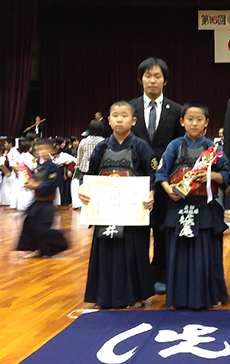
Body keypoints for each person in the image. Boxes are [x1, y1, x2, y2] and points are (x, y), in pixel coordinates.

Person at [80, 100, 156, 309]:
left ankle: (136, 296)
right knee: (106, 253)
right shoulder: (101, 147)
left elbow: (153, 174)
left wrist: (151, 193)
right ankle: (103, 296)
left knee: (132, 252)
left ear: (133, 121)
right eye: (115, 115)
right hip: (106, 211)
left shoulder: (141, 146)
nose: (119, 119)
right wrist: (82, 189)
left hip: (132, 212)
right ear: (109, 120)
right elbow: (87, 175)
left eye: (124, 115)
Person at [155, 101, 229, 309]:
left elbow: (227, 175)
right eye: (190, 119)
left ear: (206, 122)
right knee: (180, 254)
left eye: (199, 119)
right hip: (179, 207)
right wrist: (168, 190)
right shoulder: (174, 146)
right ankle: (178, 297)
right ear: (182, 121)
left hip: (205, 209)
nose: (194, 123)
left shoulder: (214, 149)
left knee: (206, 253)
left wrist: (214, 175)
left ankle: (209, 295)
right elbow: (161, 173)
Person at [130, 57, 185, 294]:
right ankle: (140, 276)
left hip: (165, 181)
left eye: (157, 76)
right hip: (135, 181)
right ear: (141, 79)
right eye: (147, 76)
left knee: (163, 228)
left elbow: (181, 147)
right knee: (138, 229)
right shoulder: (129, 109)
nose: (152, 80)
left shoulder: (177, 110)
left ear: (165, 81)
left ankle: (161, 272)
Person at [16, 138, 68, 258]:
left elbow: (52, 182)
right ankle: (36, 249)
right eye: (38, 150)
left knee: (43, 229)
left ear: (50, 150)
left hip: (47, 203)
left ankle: (60, 243)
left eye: (43, 149)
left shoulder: (53, 166)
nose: (40, 152)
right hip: (37, 201)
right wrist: (30, 182)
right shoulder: (42, 165)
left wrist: (38, 185)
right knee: (29, 223)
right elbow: (36, 179)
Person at [73, 120, 105, 209]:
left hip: (85, 171)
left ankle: (88, 217)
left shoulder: (83, 142)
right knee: (99, 195)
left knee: (86, 195)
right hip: (99, 171)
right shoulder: (104, 141)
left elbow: (79, 159)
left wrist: (77, 172)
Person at [15, 140, 37, 211]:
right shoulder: (31, 157)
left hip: (20, 175)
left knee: (21, 190)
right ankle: (27, 206)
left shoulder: (19, 156)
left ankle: (21, 206)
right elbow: (34, 166)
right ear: (30, 148)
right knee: (28, 190)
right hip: (28, 175)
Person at [0, 137, 20, 207]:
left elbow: (13, 164)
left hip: (12, 172)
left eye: (6, 143)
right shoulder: (11, 151)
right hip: (11, 172)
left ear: (10, 143)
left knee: (10, 189)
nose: (5, 145)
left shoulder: (13, 152)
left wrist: (16, 173)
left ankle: (11, 204)